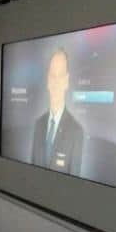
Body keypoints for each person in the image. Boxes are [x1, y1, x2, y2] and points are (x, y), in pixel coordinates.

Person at [31, 48, 84, 176]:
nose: (56, 82)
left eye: (60, 76)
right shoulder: (38, 125)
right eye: (53, 76)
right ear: (48, 80)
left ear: (66, 81)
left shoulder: (76, 131)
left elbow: (73, 185)